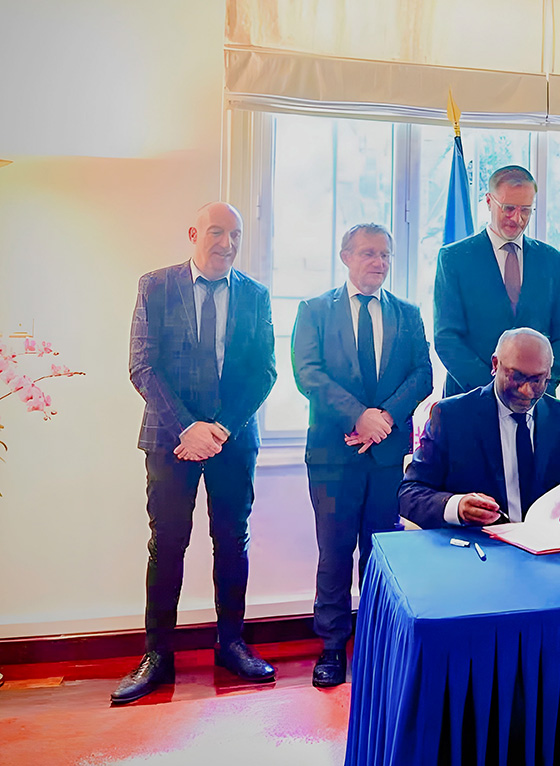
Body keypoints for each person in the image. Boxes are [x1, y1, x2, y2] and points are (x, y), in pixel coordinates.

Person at [115, 202, 277, 705]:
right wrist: (188, 428)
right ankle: (157, 656)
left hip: (233, 439)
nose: (227, 243)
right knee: (167, 544)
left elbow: (265, 371)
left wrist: (220, 429)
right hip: (171, 439)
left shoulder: (255, 295)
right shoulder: (156, 286)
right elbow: (143, 366)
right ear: (193, 234)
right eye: (216, 232)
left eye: (236, 235)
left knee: (232, 541)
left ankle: (231, 645)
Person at [291, 223, 433, 688]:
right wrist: (358, 416)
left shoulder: (408, 314)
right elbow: (307, 373)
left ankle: (376, 644)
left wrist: (383, 419)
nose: (379, 262)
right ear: (346, 257)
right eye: (369, 253)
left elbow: (422, 375)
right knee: (334, 553)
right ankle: (332, 648)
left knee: (381, 552)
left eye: (385, 254)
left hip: (388, 456)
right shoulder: (314, 310)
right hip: (333, 454)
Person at [398, 329, 560, 528]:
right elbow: (409, 493)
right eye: (517, 377)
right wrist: (457, 506)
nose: (527, 391)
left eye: (537, 380)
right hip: (479, 542)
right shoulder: (452, 417)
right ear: (495, 364)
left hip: (548, 541)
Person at [433, 165, 560, 396]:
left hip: (535, 400)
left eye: (526, 210)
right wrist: (495, 392)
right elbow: (447, 338)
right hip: (471, 398)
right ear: (489, 202)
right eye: (508, 208)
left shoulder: (552, 261)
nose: (517, 219)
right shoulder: (454, 259)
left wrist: (535, 386)